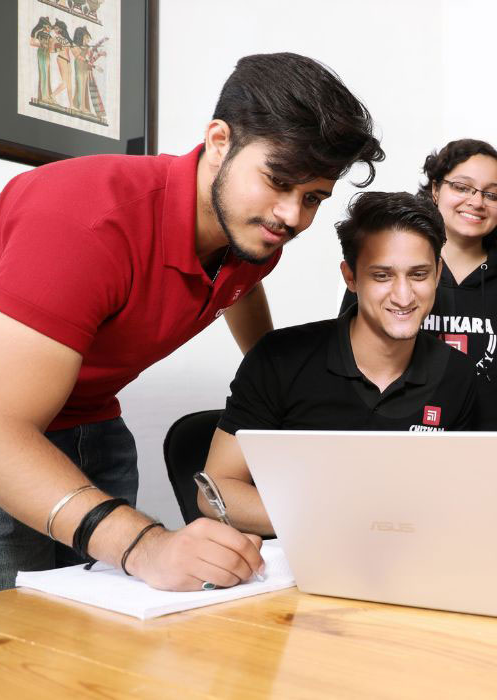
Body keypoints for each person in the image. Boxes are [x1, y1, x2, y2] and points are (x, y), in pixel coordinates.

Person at [0, 53, 385, 599]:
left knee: (107, 618)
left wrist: (272, 372)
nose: (293, 216)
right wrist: (146, 544)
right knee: (13, 634)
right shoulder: (87, 221)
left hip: (87, 407)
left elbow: (239, 283)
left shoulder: (254, 234)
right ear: (220, 140)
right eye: (278, 181)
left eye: (314, 198)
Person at [199, 191, 480, 535]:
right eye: (382, 276)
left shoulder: (459, 374)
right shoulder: (279, 358)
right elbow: (215, 490)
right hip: (293, 566)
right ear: (351, 277)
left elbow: (465, 499)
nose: (404, 296)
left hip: (409, 566)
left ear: (438, 274)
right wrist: (341, 522)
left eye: (418, 275)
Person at [344, 140, 497, 472]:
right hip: (393, 466)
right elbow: (351, 378)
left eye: (491, 194)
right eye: (462, 187)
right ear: (435, 189)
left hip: (493, 473)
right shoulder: (385, 271)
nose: (476, 201)